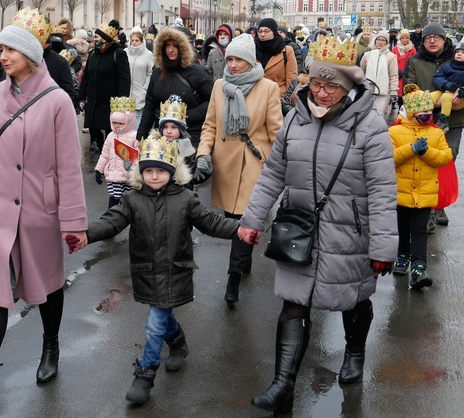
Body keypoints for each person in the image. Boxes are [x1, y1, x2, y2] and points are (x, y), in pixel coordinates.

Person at [237, 36, 398, 414]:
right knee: (294, 305)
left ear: (349, 87)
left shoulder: (371, 127)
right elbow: (274, 172)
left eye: (332, 86)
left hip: (349, 233)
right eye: (317, 84)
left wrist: (383, 247)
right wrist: (252, 220)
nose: (322, 93)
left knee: (352, 301)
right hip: (299, 230)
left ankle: (354, 353)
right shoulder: (295, 117)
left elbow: (382, 190)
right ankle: (282, 386)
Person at [0, 8, 87, 410]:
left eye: (10, 49)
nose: (2, 55)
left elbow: (69, 168)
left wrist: (74, 222)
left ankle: (50, 346)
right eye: (0, 48)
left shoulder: (57, 101)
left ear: (31, 53)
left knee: (46, 286)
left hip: (37, 209)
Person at [64, 135, 239, 405]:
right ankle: (178, 342)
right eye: (148, 171)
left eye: (160, 171)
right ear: (141, 173)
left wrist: (241, 230)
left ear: (171, 172)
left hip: (175, 271)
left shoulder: (186, 199)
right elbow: (112, 222)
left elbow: (211, 223)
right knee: (162, 315)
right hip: (146, 271)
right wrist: (87, 234)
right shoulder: (133, 200)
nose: (154, 176)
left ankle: (145, 373)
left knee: (155, 322)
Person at [194, 34, 283, 307]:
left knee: (246, 218)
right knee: (233, 219)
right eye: (230, 59)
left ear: (251, 61)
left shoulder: (267, 88)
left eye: (239, 60)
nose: (232, 65)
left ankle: (232, 278)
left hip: (255, 164)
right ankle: (243, 262)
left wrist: (278, 166)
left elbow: (277, 131)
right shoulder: (219, 86)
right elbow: (210, 125)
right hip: (226, 164)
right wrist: (202, 155)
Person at [389, 85, 452, 288]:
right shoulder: (394, 131)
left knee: (419, 230)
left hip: (425, 193)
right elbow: (387, 158)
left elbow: (445, 157)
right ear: (411, 112)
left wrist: (426, 153)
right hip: (400, 192)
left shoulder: (436, 133)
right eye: (422, 112)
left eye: (429, 111)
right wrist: (411, 149)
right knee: (402, 227)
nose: (427, 115)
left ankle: (419, 266)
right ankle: (402, 255)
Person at [407, 22, 457, 228]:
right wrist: (428, 103)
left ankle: (440, 206)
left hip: (453, 119)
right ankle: (427, 210)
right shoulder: (414, 61)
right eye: (428, 38)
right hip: (423, 120)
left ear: (444, 40)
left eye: (436, 37)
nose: (432, 41)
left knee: (447, 159)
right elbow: (409, 90)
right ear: (423, 41)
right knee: (426, 161)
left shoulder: (456, 59)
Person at [136, 26, 214, 149]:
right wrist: (141, 136)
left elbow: (213, 101)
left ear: (183, 48)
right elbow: (150, 105)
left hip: (190, 135)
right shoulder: (158, 71)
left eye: (175, 46)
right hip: (162, 135)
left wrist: (189, 115)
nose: (171, 50)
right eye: (167, 45)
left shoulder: (197, 72)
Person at [78, 22, 131, 152]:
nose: (94, 40)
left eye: (96, 37)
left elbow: (124, 80)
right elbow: (86, 78)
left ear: (105, 39)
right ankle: (98, 166)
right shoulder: (92, 55)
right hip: (94, 104)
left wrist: (120, 104)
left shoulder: (118, 54)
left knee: (110, 140)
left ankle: (110, 166)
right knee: (95, 139)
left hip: (110, 105)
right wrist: (80, 97)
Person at [95, 97, 138, 209]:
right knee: (113, 200)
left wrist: (134, 168)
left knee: (130, 202)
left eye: (121, 123)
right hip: (113, 176)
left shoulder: (134, 136)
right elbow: (104, 154)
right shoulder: (110, 136)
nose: (117, 125)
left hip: (128, 175)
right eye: (114, 122)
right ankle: (111, 221)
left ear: (128, 121)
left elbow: (138, 156)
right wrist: (99, 169)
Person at [255, 18, 297, 99]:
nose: (262, 34)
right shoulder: (252, 49)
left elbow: (291, 80)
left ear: (274, 32)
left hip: (278, 97)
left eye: (267, 31)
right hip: (257, 99)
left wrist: (285, 99)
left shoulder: (287, 51)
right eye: (260, 31)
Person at [359, 30, 399, 116]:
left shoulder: (391, 56)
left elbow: (393, 75)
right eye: (378, 39)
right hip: (368, 90)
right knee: (366, 114)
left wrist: (393, 91)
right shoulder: (367, 55)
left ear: (386, 42)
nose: (380, 42)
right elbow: (361, 72)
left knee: (378, 115)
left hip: (383, 91)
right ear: (375, 40)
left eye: (383, 40)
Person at [430, 42, 464, 132]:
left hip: (460, 98)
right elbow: (437, 77)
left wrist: (462, 91)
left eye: (463, 52)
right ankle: (426, 118)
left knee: (446, 97)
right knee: (430, 97)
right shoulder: (448, 66)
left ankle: (443, 122)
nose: (459, 54)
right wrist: (446, 84)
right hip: (447, 90)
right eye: (457, 52)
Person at [127, 27, 154, 128]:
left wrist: (145, 88)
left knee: (137, 119)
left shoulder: (148, 55)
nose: (134, 43)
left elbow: (150, 73)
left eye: (136, 40)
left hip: (140, 93)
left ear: (142, 41)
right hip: (126, 94)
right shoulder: (125, 53)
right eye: (132, 40)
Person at [392, 29, 416, 101]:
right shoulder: (395, 49)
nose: (404, 40)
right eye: (403, 38)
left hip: (407, 73)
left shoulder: (412, 49)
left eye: (406, 38)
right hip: (397, 73)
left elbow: (414, 61)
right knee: (397, 92)